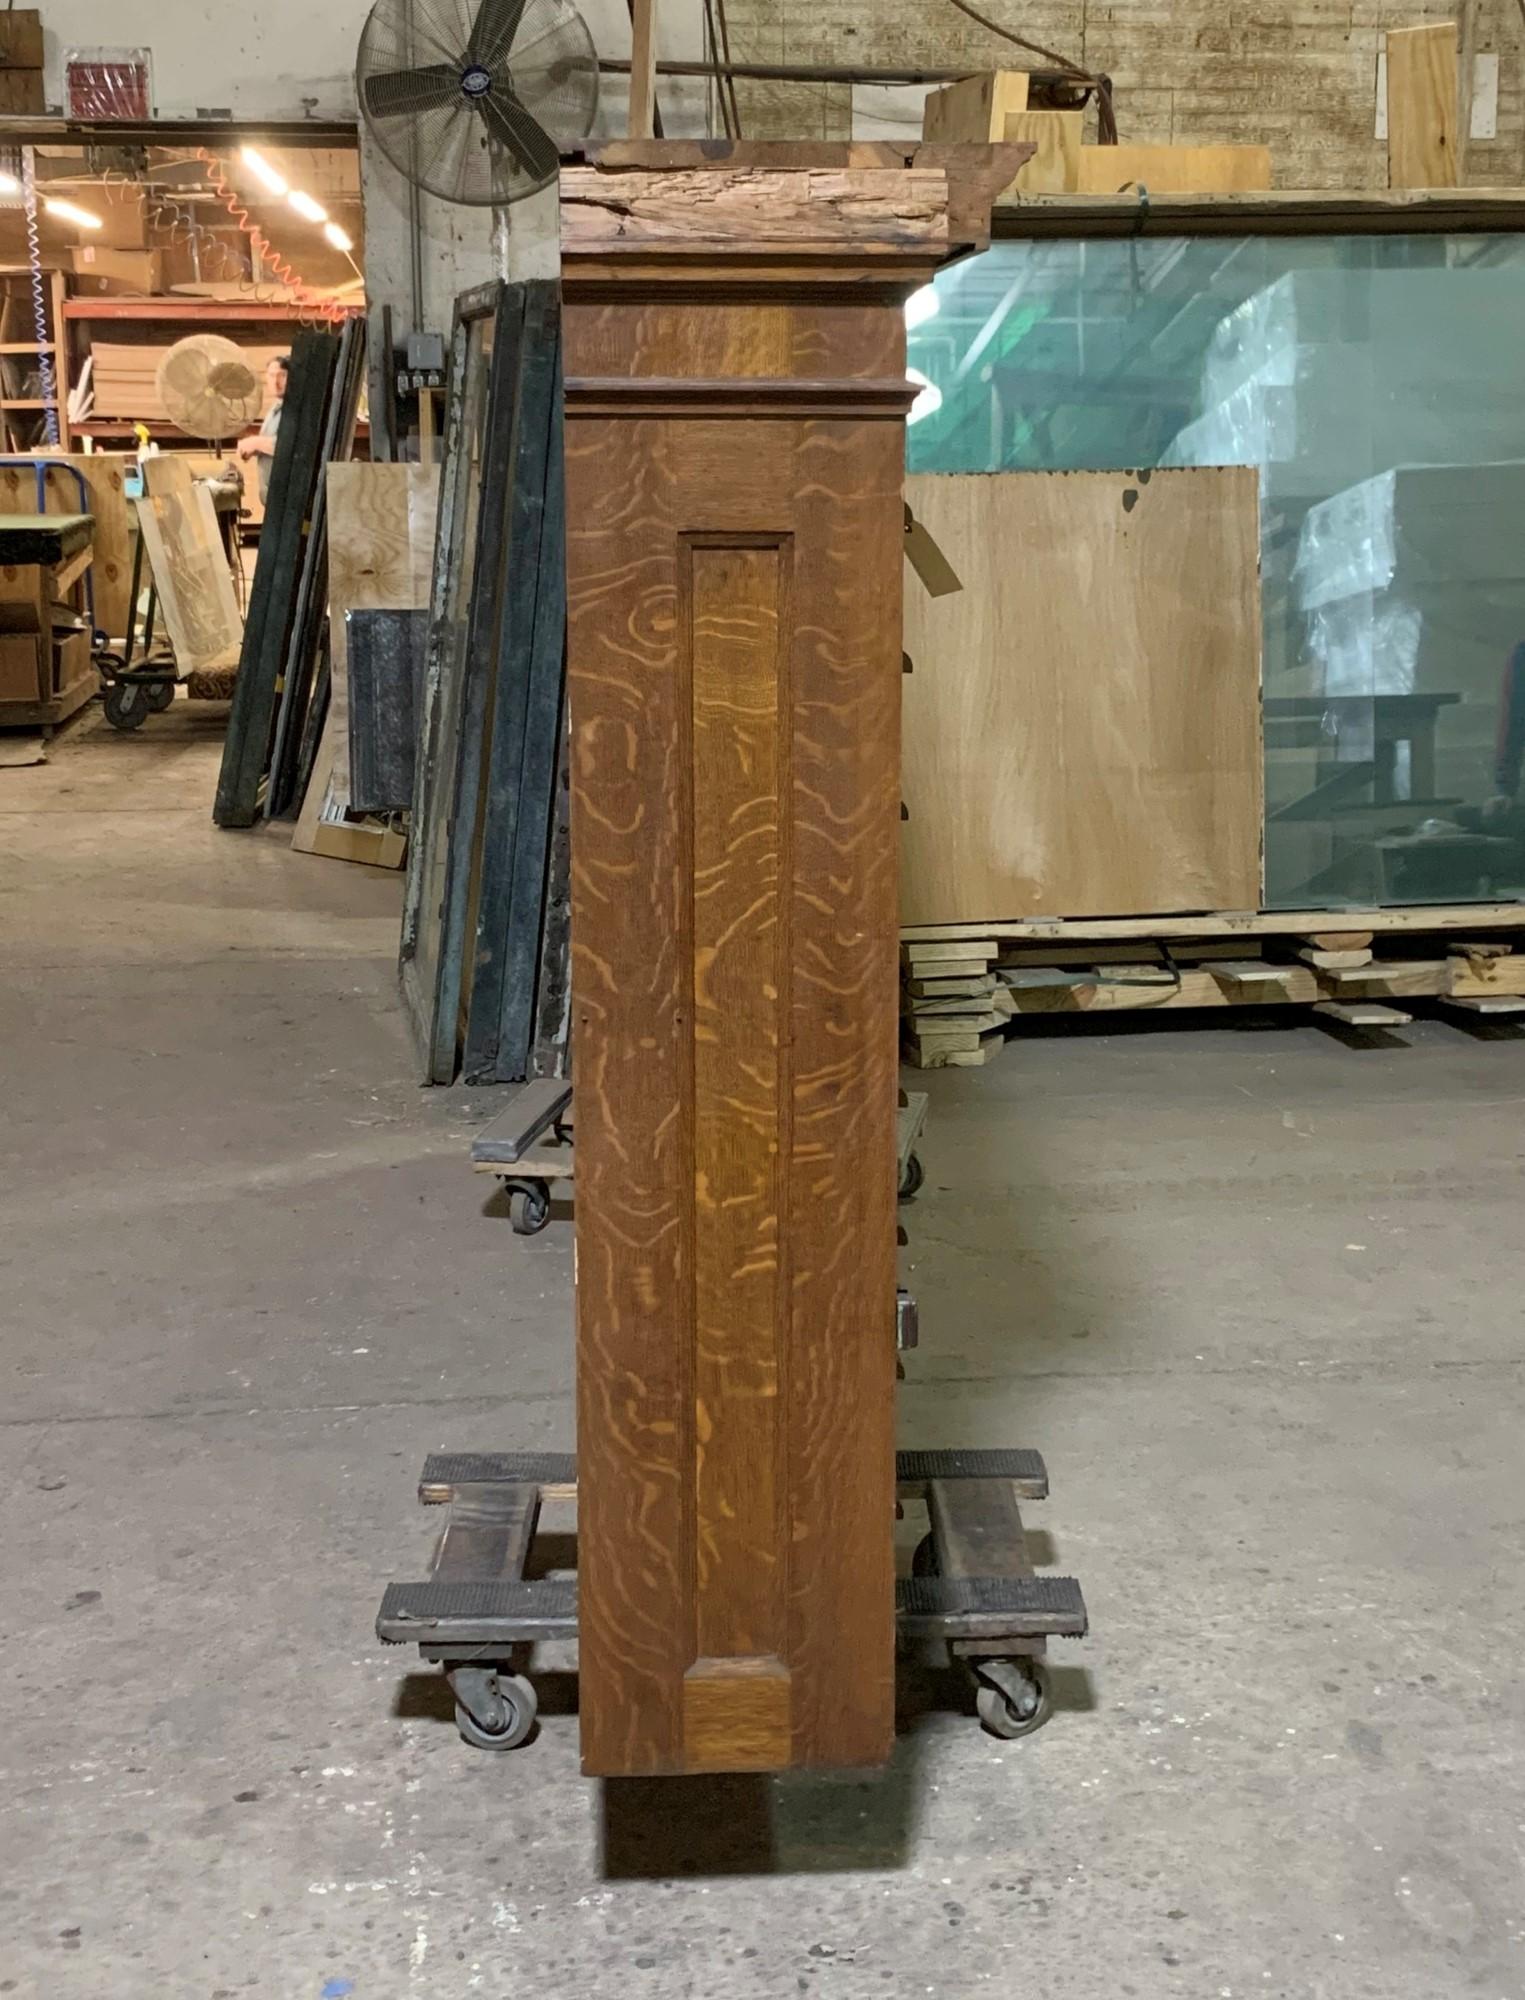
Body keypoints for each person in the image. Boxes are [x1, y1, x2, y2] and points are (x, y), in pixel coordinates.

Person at [236, 355, 289, 502]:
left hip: (287, 498)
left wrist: (255, 443)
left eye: (282, 375)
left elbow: (290, 447)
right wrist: (251, 449)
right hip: (272, 497)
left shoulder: (295, 410)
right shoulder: (274, 409)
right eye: (271, 375)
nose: (275, 382)